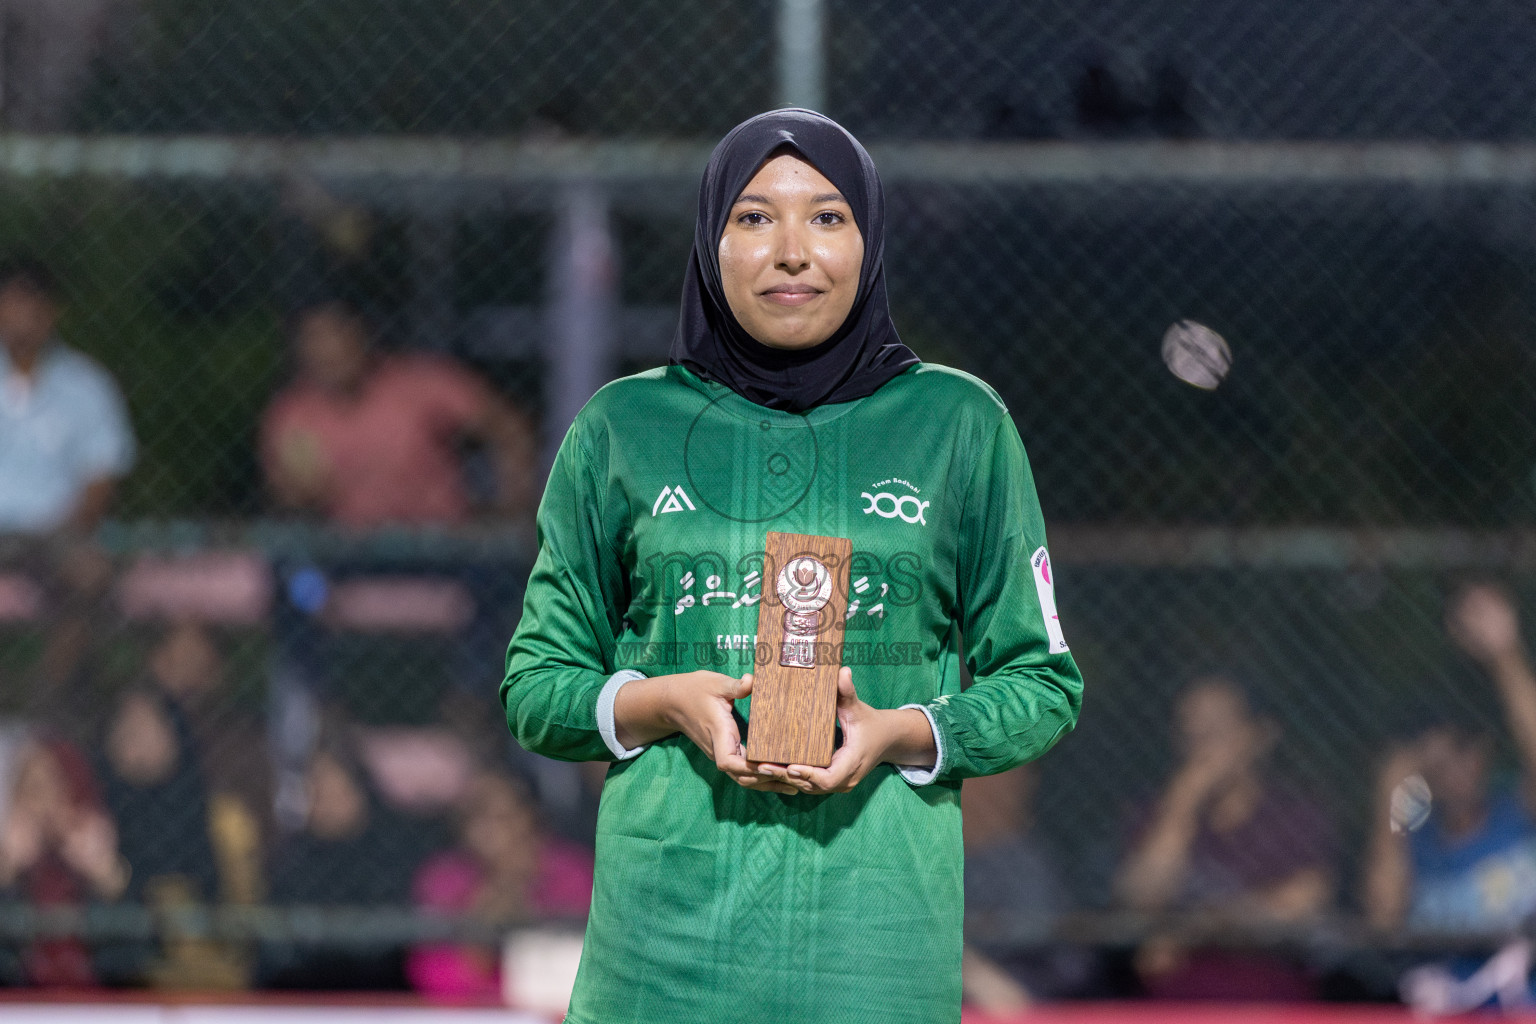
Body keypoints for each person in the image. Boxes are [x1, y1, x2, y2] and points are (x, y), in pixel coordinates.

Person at [501, 109, 1083, 1024]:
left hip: (873, 951)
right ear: (708, 241)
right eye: (753, 217)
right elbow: (536, 688)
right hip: (662, 954)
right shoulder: (623, 429)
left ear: (869, 239)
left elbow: (1043, 683)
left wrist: (902, 729)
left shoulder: (957, 425)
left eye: (826, 216)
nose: (791, 251)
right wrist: (661, 702)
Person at [1114, 676, 1336, 999]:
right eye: (1191, 733)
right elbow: (1141, 897)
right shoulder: (1156, 814)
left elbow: (1301, 903)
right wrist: (1182, 801)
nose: (1202, 745)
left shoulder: (1294, 815)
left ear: (1257, 737)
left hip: (1269, 1001)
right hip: (1173, 1004)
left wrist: (1187, 932)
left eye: (1216, 731)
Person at [259, 298, 537, 529]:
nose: (328, 352)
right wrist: (304, 491)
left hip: (441, 547)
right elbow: (290, 493)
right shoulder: (293, 412)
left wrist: (509, 508)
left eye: (336, 335)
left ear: (360, 335)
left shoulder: (419, 383)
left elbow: (506, 427)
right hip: (346, 558)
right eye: (315, 340)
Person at [0, 257, 135, 710]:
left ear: (51, 312)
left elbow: (100, 481)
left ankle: (41, 709)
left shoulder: (88, 385)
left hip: (54, 533)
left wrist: (66, 530)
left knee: (92, 575)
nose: (20, 316)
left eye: (30, 305)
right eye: (10, 304)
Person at [1365, 583, 1536, 933]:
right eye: (1433, 767)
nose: (1450, 774)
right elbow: (1381, 921)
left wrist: (1504, 655)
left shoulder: (1520, 813)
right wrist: (1389, 803)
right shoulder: (1414, 843)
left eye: (1460, 753)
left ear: (1483, 753)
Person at [407, 770, 594, 999]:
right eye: (476, 817)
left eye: (503, 817)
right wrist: (483, 923)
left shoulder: (571, 871)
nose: (489, 830)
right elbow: (434, 976)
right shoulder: (445, 879)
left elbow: (582, 965)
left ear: (530, 817)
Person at [0, 737, 127, 986]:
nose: (40, 799)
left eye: (51, 784)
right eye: (29, 786)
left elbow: (131, 960)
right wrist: (6, 873)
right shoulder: (9, 854)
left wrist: (105, 876)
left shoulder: (100, 837)